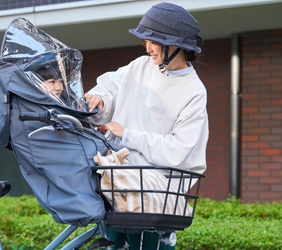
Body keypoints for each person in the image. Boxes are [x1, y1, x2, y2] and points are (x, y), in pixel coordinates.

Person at [84, 2, 208, 249]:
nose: (148, 48)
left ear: (176, 44)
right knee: (111, 243)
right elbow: (110, 88)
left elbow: (177, 150)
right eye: (146, 42)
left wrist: (128, 134)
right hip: (119, 182)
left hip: (154, 193)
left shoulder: (194, 92)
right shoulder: (139, 66)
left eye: (154, 42)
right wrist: (99, 99)